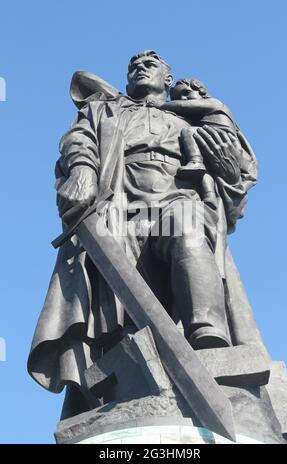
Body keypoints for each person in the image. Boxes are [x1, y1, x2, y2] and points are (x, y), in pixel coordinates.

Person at [28, 51, 261, 419]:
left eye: (150, 64)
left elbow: (237, 174)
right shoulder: (106, 111)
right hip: (118, 206)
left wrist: (230, 171)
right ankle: (129, 375)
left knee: (187, 227)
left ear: (168, 78)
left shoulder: (192, 119)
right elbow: (79, 140)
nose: (140, 67)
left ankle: (208, 339)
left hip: (176, 199)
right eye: (133, 65)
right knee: (116, 289)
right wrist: (83, 169)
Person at [149, 78, 238, 209]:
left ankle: (195, 160)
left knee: (188, 132)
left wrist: (161, 105)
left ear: (201, 92)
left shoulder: (215, 103)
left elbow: (183, 106)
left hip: (222, 137)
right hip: (209, 139)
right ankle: (210, 196)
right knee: (203, 171)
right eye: (178, 97)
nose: (183, 98)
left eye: (186, 93)